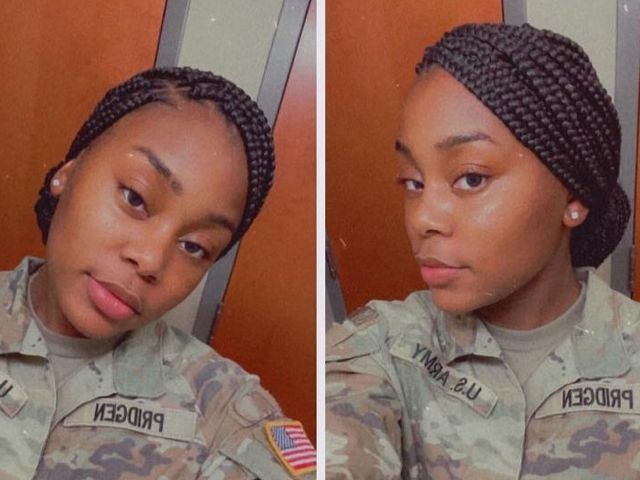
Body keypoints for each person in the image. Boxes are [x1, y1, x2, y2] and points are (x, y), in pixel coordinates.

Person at [326, 22, 639, 479]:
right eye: (413, 182)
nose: (422, 218)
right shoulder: (379, 348)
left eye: (471, 178)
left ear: (573, 195)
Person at [0, 67, 315, 479]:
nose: (150, 260)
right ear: (68, 172)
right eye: (135, 197)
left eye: (194, 247)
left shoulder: (226, 415)